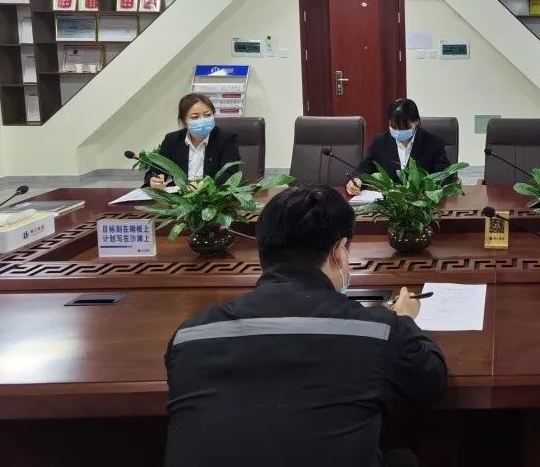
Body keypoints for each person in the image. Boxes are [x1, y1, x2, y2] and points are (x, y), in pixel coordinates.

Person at [164, 184, 447, 467]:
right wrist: (405, 319)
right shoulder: (377, 331)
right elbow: (430, 380)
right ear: (339, 252)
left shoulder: (189, 336)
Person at [346, 99, 451, 197]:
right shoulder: (380, 142)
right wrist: (356, 180)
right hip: (390, 203)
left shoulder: (433, 143)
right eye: (394, 127)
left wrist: (428, 191)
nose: (399, 131)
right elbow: (367, 167)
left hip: (423, 201)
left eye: (404, 128)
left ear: (416, 121)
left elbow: (444, 175)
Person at [145, 93, 241, 188]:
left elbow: (230, 175)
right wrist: (153, 180)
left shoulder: (226, 139)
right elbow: (155, 170)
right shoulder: (172, 140)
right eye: (195, 117)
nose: (203, 120)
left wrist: (202, 186)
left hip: (213, 194)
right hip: (179, 194)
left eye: (207, 115)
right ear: (184, 120)